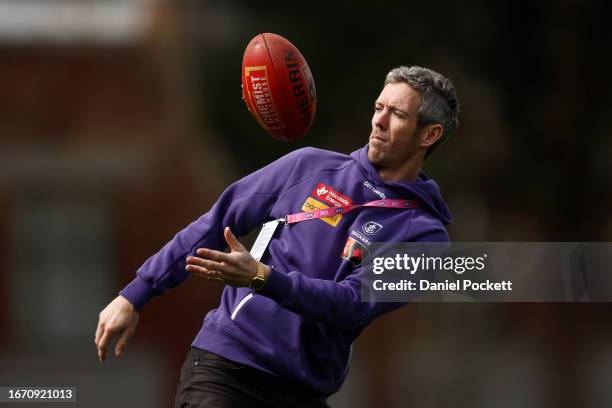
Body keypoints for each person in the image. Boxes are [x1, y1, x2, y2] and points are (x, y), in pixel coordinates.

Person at [95, 65, 460, 407]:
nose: (379, 121)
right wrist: (135, 294)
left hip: (302, 393)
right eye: (378, 107)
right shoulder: (308, 165)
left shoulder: (426, 236)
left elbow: (351, 303)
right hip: (227, 367)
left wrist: (262, 277)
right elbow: (214, 223)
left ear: (429, 134)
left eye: (396, 114)